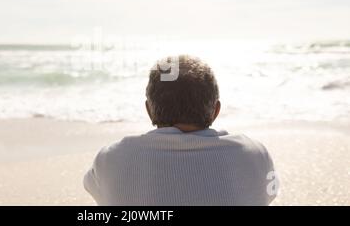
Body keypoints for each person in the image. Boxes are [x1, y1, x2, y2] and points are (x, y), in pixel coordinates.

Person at [84, 55, 277, 205]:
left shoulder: (111, 157)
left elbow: (94, 188)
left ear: (149, 110)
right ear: (216, 110)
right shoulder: (254, 154)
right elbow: (267, 194)